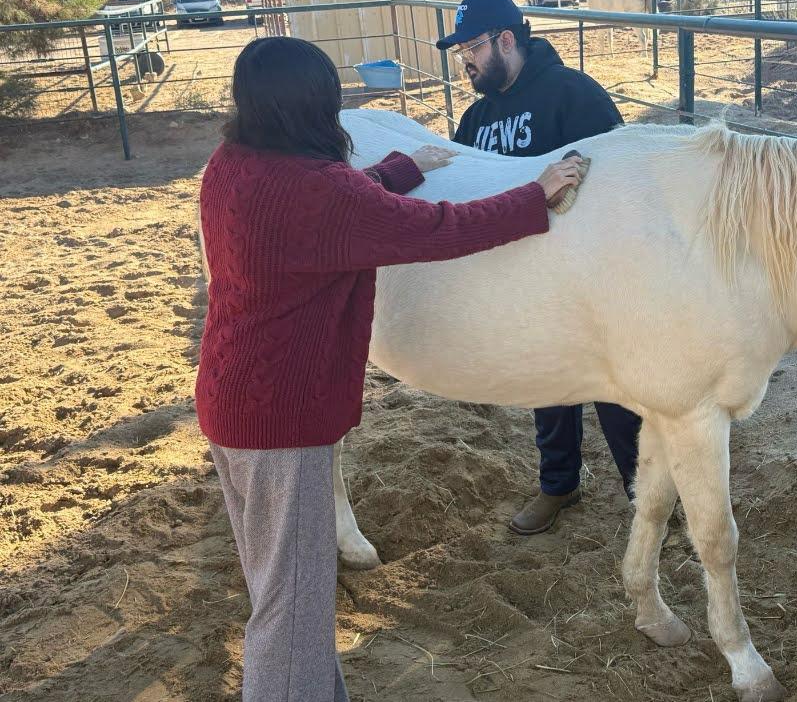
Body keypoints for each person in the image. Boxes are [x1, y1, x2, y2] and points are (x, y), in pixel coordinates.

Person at [197, 36, 584, 702]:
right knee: (291, 614)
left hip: (230, 403)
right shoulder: (319, 194)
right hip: (283, 425)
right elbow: (438, 229)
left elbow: (332, 210)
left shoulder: (233, 164)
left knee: (281, 593)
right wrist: (534, 196)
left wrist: (403, 165)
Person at [436, 0, 643, 535]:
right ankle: (559, 485)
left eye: (473, 48)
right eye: (461, 52)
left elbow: (622, 176)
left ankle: (642, 492)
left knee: (613, 388)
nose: (467, 61)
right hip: (521, 280)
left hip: (590, 277)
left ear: (507, 40)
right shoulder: (475, 119)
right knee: (546, 383)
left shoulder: (574, 96)